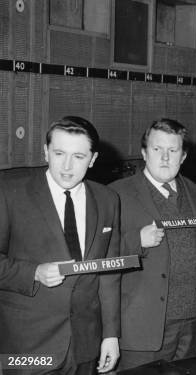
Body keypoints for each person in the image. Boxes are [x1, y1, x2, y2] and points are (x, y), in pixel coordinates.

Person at [0, 116, 120, 374]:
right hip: (27, 347)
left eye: (78, 156)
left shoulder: (108, 199)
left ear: (93, 159)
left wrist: (111, 334)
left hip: (85, 344)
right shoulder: (9, 193)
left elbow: (108, 273)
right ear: (45, 152)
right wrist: (33, 272)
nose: (67, 166)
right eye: (59, 153)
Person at [110, 119, 196, 369]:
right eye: (157, 149)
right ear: (143, 153)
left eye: (172, 151)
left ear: (182, 157)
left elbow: (192, 248)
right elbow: (100, 256)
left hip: (192, 320)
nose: (164, 158)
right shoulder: (117, 194)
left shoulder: (192, 190)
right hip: (144, 326)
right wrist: (135, 241)